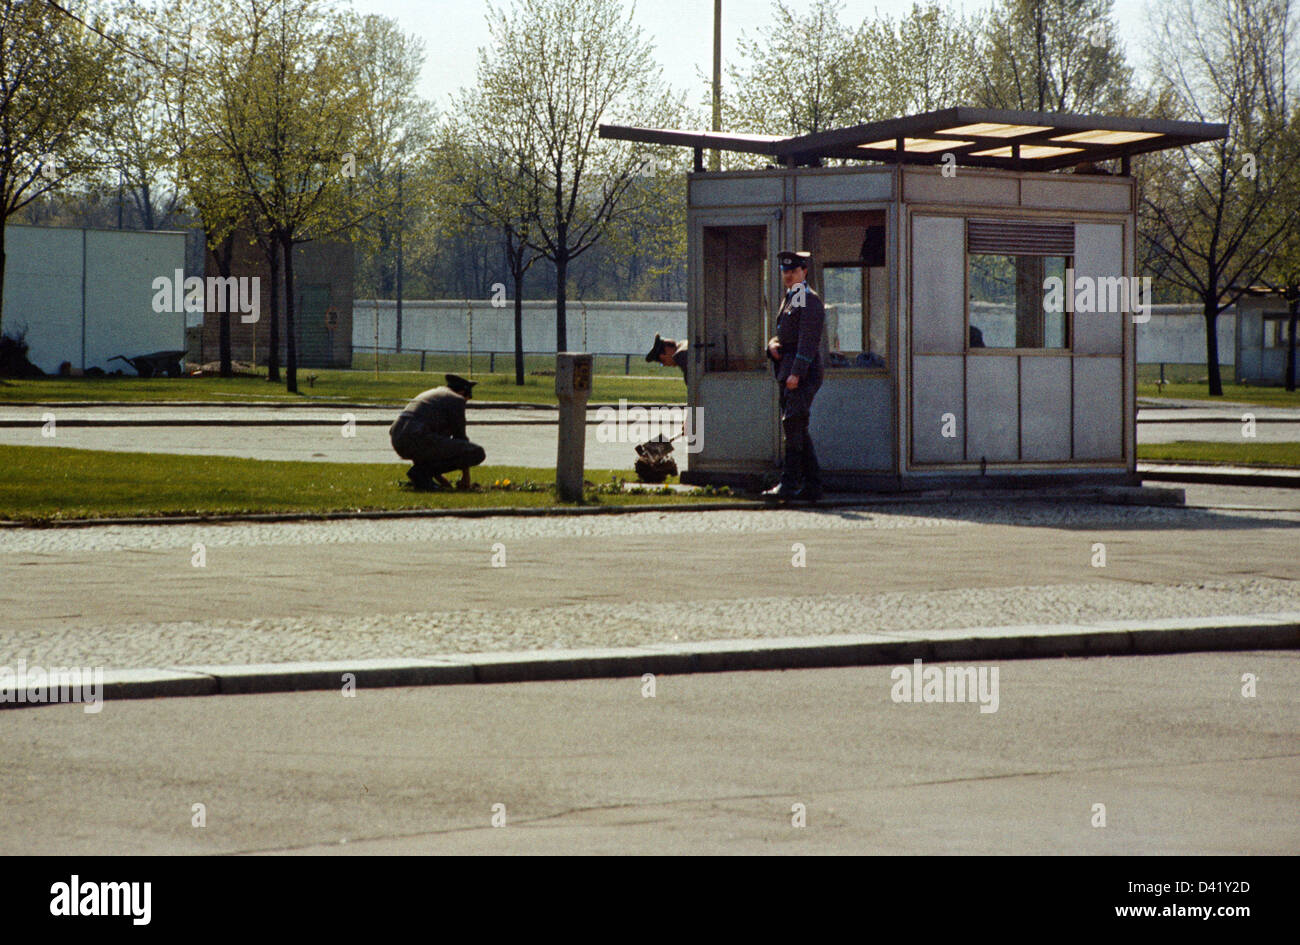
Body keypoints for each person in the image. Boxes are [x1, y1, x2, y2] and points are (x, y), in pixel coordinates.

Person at [765, 250, 824, 503]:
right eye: (785, 272)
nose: (788, 276)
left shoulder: (808, 300)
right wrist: (772, 344)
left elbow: (807, 340)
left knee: (794, 424)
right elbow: (786, 334)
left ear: (804, 272)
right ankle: (812, 485)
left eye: (794, 272)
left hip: (801, 373)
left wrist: (797, 373)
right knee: (796, 425)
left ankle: (789, 484)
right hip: (787, 369)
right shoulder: (792, 298)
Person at [389, 374, 486, 490]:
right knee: (476, 452)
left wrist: (442, 480)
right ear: (463, 392)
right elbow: (460, 438)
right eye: (467, 399)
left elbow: (428, 447)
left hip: (398, 439)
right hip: (417, 438)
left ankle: (421, 476)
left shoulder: (434, 395)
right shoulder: (456, 400)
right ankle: (421, 474)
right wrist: (466, 478)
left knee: (435, 448)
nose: (466, 402)